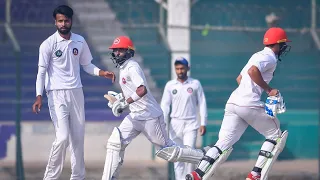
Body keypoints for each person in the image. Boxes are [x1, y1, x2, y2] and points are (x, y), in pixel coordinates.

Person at [185, 27, 291, 180]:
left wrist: (249, 91)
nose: (283, 48)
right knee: (276, 135)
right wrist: (268, 90)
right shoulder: (270, 58)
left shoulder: (257, 55)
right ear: (277, 44)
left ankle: (197, 174)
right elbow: (252, 71)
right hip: (248, 103)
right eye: (283, 44)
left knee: (222, 143)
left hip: (233, 102)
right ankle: (255, 174)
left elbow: (239, 79)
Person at [101, 36, 205, 180]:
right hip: (135, 116)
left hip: (150, 116)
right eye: (116, 50)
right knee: (115, 142)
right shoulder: (124, 68)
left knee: (167, 151)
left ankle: (204, 157)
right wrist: (119, 100)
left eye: (121, 50)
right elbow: (131, 93)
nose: (117, 53)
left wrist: (124, 103)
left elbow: (142, 89)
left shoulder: (132, 66)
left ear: (129, 52)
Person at [31, 5, 115, 180]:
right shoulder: (48, 44)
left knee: (77, 139)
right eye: (60, 21)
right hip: (56, 93)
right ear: (55, 22)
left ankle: (78, 177)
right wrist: (39, 96)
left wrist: (102, 72)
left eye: (66, 20)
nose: (63, 24)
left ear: (71, 21)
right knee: (62, 137)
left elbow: (87, 65)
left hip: (76, 92)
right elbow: (41, 72)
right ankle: (50, 177)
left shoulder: (79, 41)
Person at [161, 57, 207, 180]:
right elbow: (165, 105)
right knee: (177, 157)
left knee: (189, 154)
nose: (180, 71)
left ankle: (189, 178)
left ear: (188, 68)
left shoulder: (195, 84)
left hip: (191, 123)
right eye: (177, 69)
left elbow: (202, 103)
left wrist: (203, 122)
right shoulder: (170, 85)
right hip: (175, 124)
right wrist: (163, 123)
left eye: (182, 68)